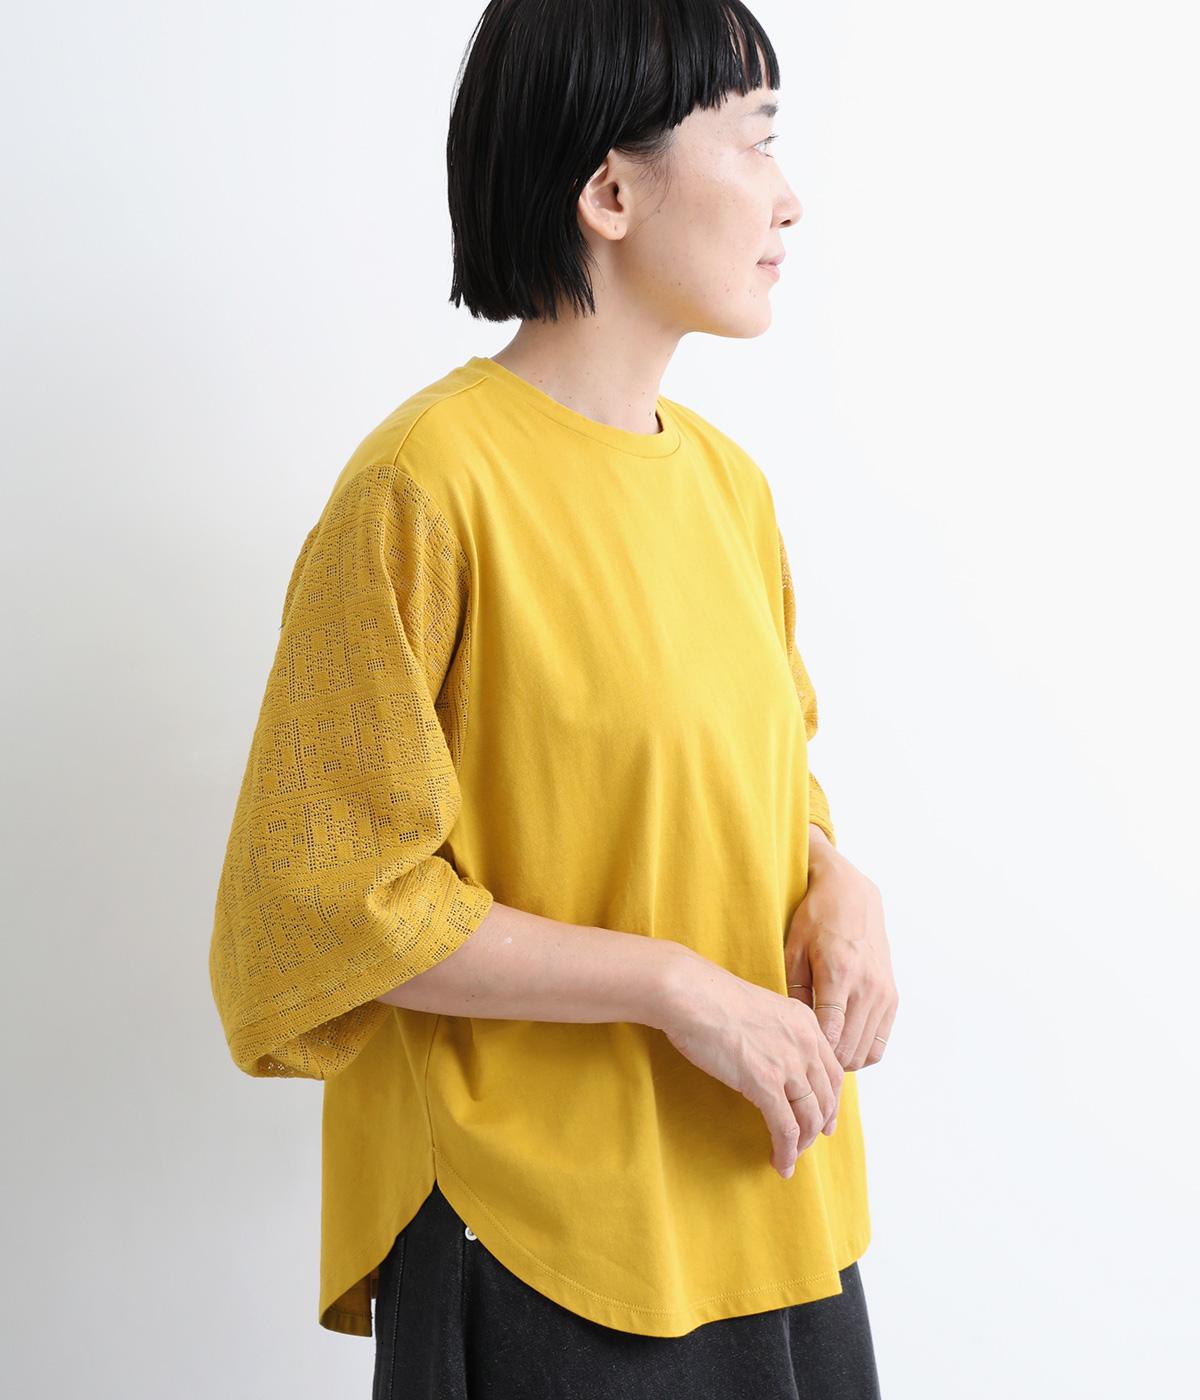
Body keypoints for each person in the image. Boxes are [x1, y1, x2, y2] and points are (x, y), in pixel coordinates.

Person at [209, 1, 900, 1395]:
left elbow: (740, 781)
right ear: (610, 194)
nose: (790, 196)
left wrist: (838, 879)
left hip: (767, 1202)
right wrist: (674, 989)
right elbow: (325, 905)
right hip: (541, 1235)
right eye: (754, 140)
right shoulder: (423, 486)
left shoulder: (727, 488)